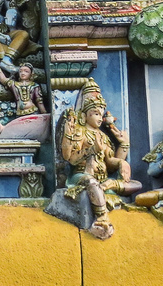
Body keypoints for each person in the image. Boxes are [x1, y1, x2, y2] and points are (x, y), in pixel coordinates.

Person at [59, 80, 141, 239]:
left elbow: (110, 163)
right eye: (96, 113)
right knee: (91, 183)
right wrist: (91, 150)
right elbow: (71, 159)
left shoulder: (103, 136)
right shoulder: (80, 132)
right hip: (81, 175)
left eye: (101, 114)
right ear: (85, 115)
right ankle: (102, 218)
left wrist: (123, 149)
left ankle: (108, 186)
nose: (100, 118)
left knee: (136, 184)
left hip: (102, 179)